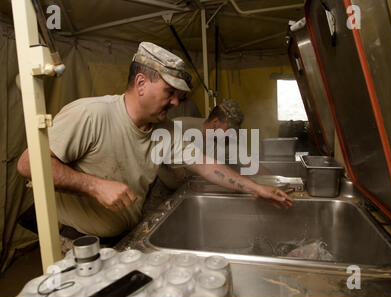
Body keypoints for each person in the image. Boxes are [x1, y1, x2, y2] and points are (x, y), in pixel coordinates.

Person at [17, 42, 293, 246]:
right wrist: (95, 185)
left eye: (178, 96)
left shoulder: (166, 131)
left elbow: (206, 165)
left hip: (124, 236)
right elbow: (29, 164)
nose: (175, 102)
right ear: (141, 83)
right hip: (77, 241)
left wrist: (256, 188)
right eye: (169, 92)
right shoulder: (91, 114)